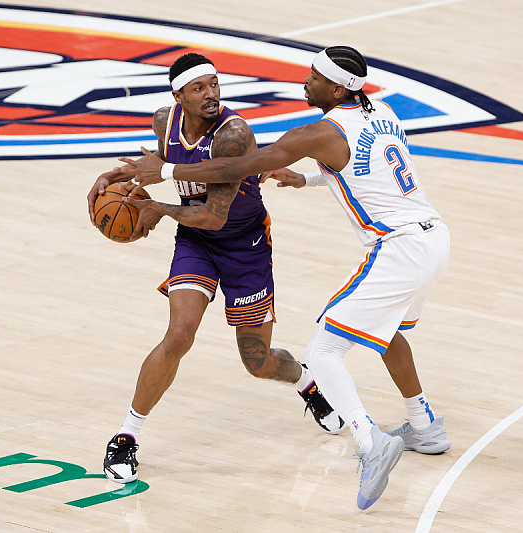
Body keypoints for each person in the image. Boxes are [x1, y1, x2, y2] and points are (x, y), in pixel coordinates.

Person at [114, 46, 452, 510]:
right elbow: (367, 168)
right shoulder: (382, 111)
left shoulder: (301, 132)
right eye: (200, 86)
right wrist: (305, 181)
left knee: (318, 351)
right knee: (385, 333)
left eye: (313, 77)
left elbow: (234, 173)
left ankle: (371, 442)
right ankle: (424, 425)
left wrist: (167, 174)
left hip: (320, 246)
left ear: (336, 88)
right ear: (178, 95)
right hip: (434, 239)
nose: (305, 83)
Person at [86, 53, 346, 485]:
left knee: (257, 362)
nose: (211, 94)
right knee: (178, 335)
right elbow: (166, 163)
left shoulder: (234, 134)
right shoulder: (163, 121)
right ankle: (127, 436)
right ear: (179, 96)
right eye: (199, 88)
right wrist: (119, 180)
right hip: (196, 243)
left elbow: (214, 216)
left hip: (243, 246)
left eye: (214, 84)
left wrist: (158, 209)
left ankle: (306, 382)